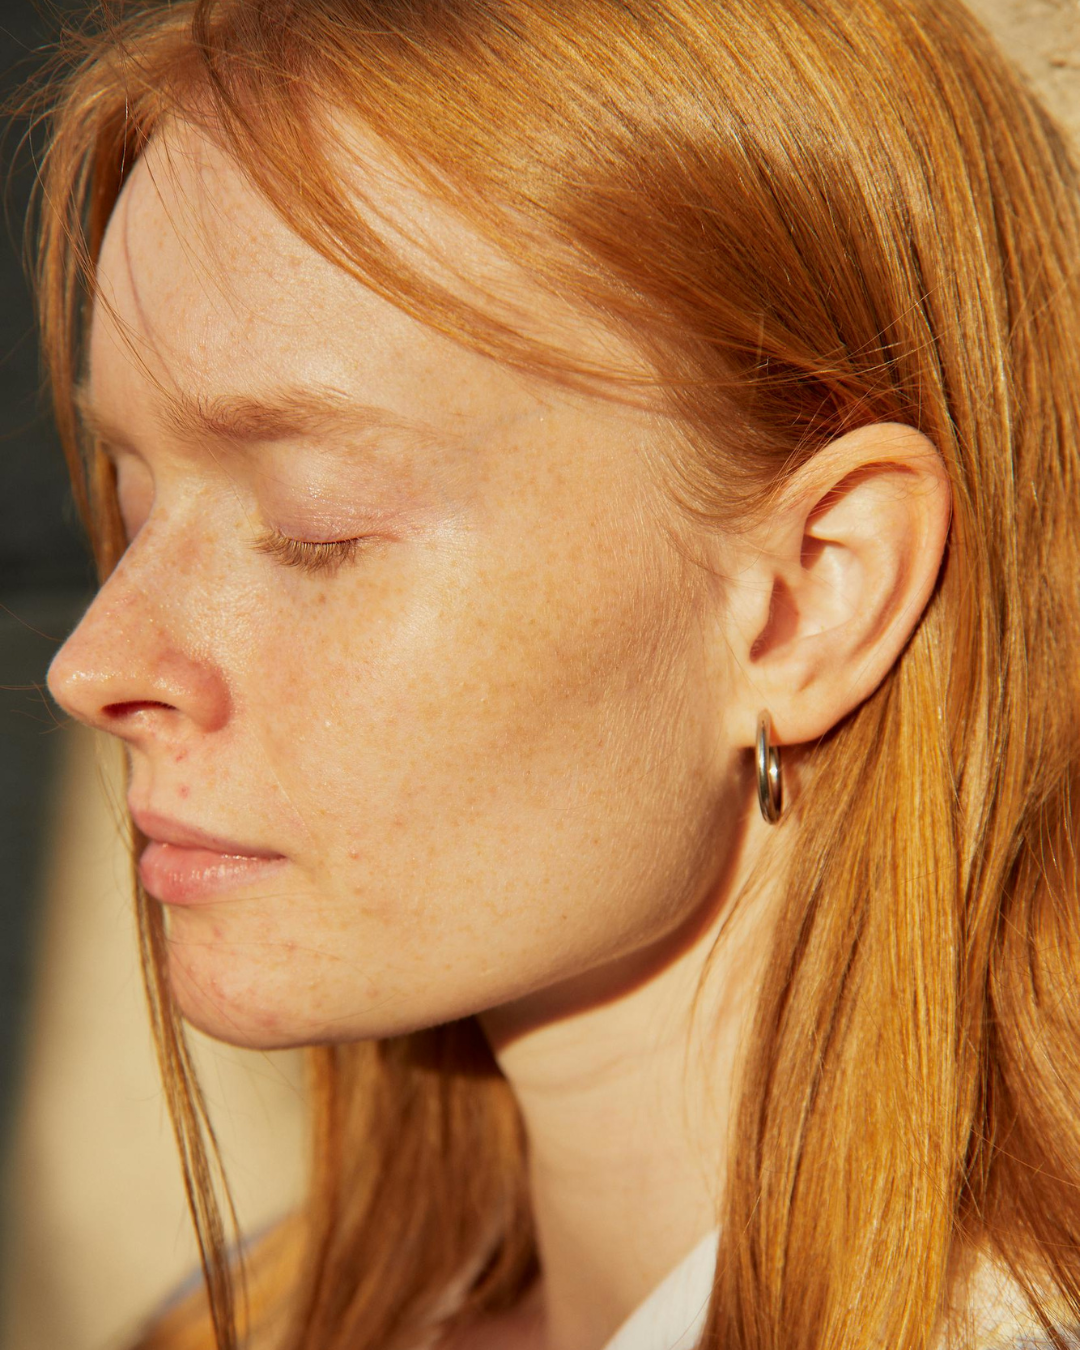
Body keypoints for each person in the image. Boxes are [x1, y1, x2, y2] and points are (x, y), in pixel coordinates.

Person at [32, 0, 1080, 1347]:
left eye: (315, 525)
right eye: (126, 494)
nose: (93, 663)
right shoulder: (247, 1317)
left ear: (813, 592)